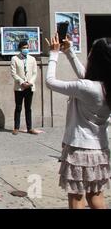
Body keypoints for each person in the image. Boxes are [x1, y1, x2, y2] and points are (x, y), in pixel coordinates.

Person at [45, 34, 111, 209]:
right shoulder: (103, 85)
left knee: (76, 198)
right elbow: (85, 76)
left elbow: (50, 82)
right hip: (100, 150)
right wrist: (69, 52)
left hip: (79, 149)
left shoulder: (86, 87)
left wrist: (54, 53)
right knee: (96, 196)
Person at [10, 40, 38, 135]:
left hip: (29, 86)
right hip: (19, 87)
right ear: (20, 49)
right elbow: (13, 73)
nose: (25, 49)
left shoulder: (32, 59)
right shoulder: (15, 59)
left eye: (27, 47)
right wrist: (22, 82)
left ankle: (29, 128)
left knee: (28, 108)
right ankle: (16, 127)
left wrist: (30, 82)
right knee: (18, 107)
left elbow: (34, 73)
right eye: (24, 48)